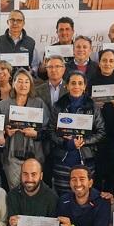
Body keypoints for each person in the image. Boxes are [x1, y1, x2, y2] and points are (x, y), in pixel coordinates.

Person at [49, 71, 105, 194]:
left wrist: (84, 141)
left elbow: (101, 132)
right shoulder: (58, 106)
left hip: (85, 159)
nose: (76, 86)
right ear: (67, 86)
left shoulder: (93, 106)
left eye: (80, 83)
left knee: (83, 195)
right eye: (73, 83)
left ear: (85, 86)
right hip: (62, 160)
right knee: (63, 197)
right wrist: (65, 143)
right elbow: (50, 132)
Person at [0, 69, 49, 189]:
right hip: (12, 158)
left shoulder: (39, 103)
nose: (23, 85)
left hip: (34, 156)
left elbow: (48, 130)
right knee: (15, 191)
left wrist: (36, 134)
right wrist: (5, 133)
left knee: (33, 191)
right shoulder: (2, 106)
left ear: (31, 85)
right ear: (13, 83)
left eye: (26, 82)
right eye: (19, 81)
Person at [92, 49, 114, 194]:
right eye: (104, 60)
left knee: (113, 174)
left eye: (111, 61)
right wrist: (92, 104)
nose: (107, 63)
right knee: (96, 173)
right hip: (96, 136)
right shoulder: (91, 82)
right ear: (99, 63)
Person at [35, 55, 67, 187]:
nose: (54, 70)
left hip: (63, 138)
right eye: (50, 67)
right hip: (43, 138)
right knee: (45, 173)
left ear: (64, 69)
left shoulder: (71, 88)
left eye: (57, 66)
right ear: (46, 69)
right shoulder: (37, 90)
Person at [0, 9, 40, 74]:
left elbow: (36, 65)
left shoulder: (30, 43)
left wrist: (31, 72)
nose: (15, 23)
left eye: (19, 20)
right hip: (2, 82)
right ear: (8, 22)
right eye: (12, 20)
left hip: (23, 82)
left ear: (23, 23)